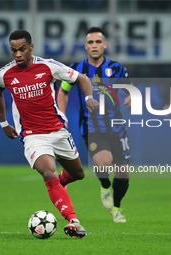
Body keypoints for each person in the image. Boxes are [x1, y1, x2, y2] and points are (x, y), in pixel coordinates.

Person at [0, 29, 99, 238]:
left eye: (22, 49)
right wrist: (4, 123)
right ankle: (73, 221)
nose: (18, 54)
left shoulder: (49, 66)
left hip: (58, 131)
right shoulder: (3, 74)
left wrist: (88, 99)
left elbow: (82, 78)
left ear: (31, 47)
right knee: (48, 173)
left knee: (78, 174)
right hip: (32, 136)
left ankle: (60, 187)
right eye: (13, 50)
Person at [57, 27, 132, 223]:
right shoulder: (75, 69)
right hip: (91, 128)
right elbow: (63, 91)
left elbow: (128, 88)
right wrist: (61, 114)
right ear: (85, 46)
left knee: (123, 175)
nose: (95, 45)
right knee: (103, 161)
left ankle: (116, 208)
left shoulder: (116, 68)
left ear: (105, 45)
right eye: (91, 42)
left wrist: (130, 97)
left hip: (117, 128)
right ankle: (105, 185)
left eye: (98, 42)